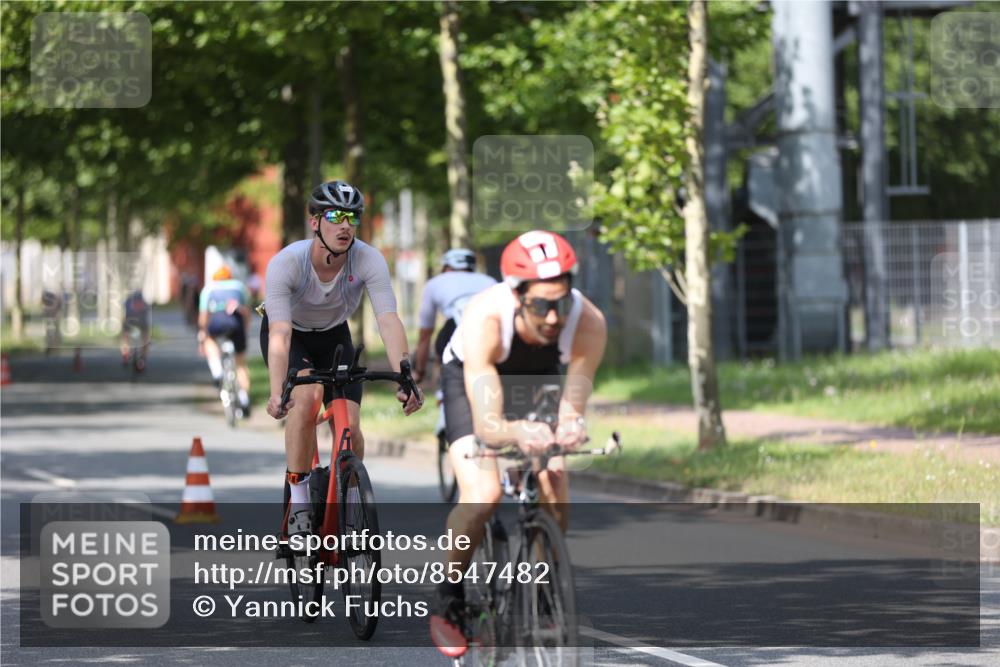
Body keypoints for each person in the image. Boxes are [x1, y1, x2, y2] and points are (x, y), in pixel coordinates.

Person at [428, 230, 607, 655]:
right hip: (472, 376)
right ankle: (449, 595)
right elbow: (489, 425)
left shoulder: (588, 322)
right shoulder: (486, 319)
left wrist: (568, 427)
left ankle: (545, 587)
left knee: (555, 477)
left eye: (560, 303)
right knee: (483, 493)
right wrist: (519, 431)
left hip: (537, 375)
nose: (552, 317)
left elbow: (572, 406)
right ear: (515, 294)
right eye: (540, 305)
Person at [260, 179, 423, 539]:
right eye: (335, 216)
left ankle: (350, 501)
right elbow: (280, 334)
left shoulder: (368, 258)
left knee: (349, 423)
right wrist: (277, 392)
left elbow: (388, 319)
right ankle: (299, 503)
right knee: (307, 398)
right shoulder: (287, 263)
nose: (346, 225)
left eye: (352, 217)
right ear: (315, 221)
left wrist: (405, 375)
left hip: (334, 334)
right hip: (292, 335)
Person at [412, 248, 496, 385]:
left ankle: (443, 396)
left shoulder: (434, 283)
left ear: (447, 267)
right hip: (488, 328)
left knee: (444, 358)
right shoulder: (490, 281)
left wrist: (419, 371)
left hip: (454, 328)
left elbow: (425, 335)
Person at [198, 265, 252, 417]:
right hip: (236, 324)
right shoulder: (240, 287)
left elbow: (203, 317)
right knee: (241, 364)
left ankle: (217, 373)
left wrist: (202, 334)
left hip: (217, 322)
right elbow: (246, 313)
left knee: (209, 340)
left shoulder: (209, 289)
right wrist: (245, 331)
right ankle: (245, 399)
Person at [120, 290, 152, 371]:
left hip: (130, 320)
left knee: (125, 334)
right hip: (142, 321)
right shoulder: (146, 298)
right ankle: (143, 357)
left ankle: (125, 353)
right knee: (145, 335)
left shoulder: (127, 299)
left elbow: (123, 311)